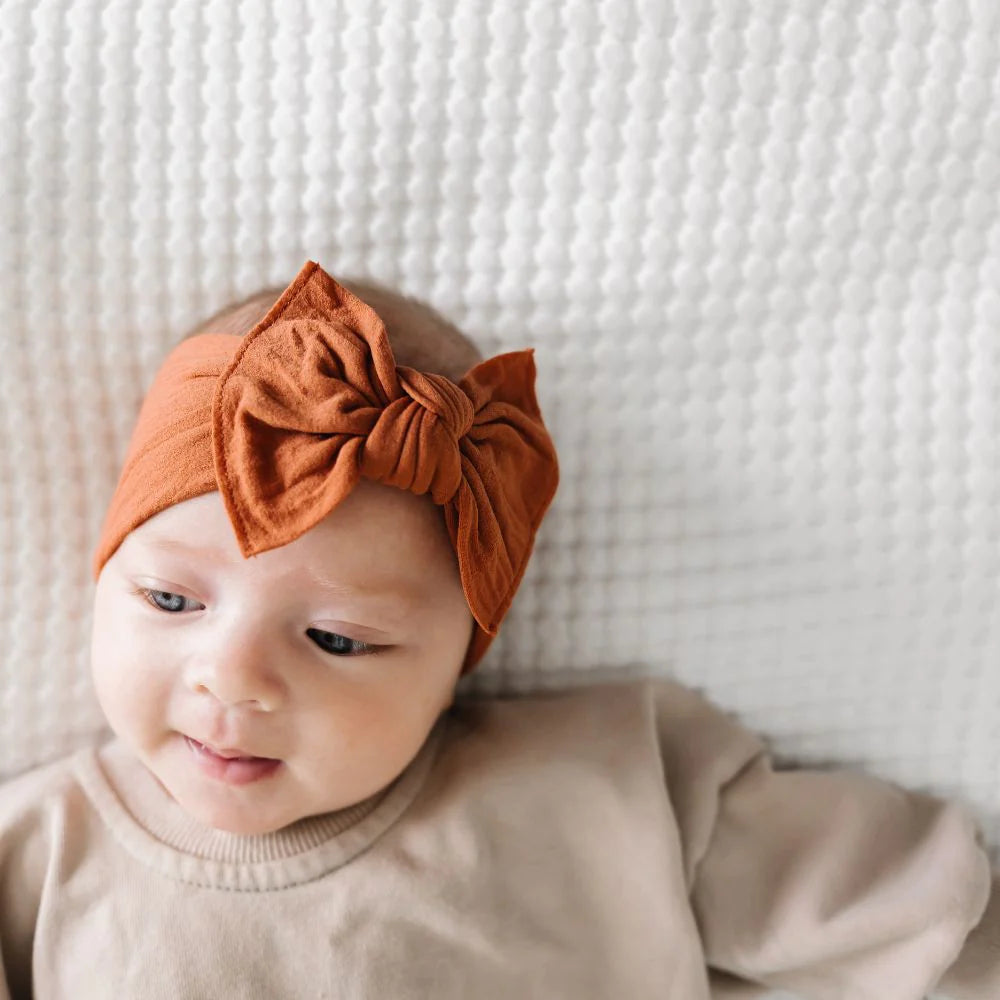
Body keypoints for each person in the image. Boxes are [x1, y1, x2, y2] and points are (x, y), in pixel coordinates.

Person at [0, 260, 995, 999]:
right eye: (170, 601)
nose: (231, 676)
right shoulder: (36, 859)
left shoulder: (609, 794)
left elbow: (925, 911)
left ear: (461, 660)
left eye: (337, 639)